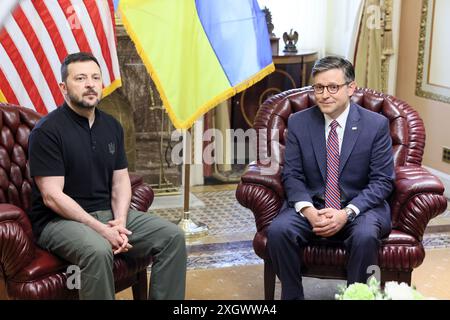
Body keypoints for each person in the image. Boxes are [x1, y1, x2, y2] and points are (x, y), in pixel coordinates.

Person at [28, 52, 187, 300]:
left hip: (107, 214)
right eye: (80, 78)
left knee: (172, 237)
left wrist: (120, 222)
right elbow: (51, 196)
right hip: (58, 222)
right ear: (63, 87)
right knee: (98, 250)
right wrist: (102, 230)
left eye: (95, 77)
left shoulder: (111, 126)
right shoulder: (47, 131)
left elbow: (121, 181)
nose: (90, 84)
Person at [267, 56, 394, 300]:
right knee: (279, 230)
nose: (325, 95)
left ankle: (356, 297)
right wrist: (308, 211)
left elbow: (382, 181)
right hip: (313, 204)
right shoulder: (298, 122)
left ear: (351, 88)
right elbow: (292, 174)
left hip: (360, 207)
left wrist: (346, 213)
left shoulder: (375, 125)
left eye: (333, 87)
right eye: (319, 88)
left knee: (365, 236)